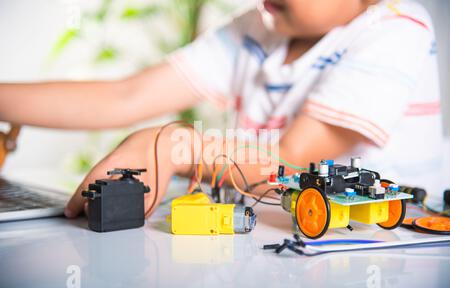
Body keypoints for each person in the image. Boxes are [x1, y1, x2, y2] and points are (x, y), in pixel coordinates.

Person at [0, 0, 443, 218]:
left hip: (379, 252)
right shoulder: (257, 28)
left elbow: (293, 163)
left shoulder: (397, 30)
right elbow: (126, 97)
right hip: (272, 240)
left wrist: (175, 147)